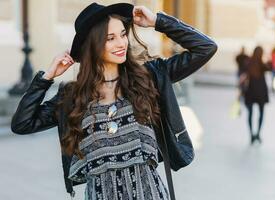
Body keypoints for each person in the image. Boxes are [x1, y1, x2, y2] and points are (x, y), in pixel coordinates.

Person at [11, 2, 217, 200]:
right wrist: (46, 77)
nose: (121, 43)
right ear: (92, 46)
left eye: (123, 34)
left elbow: (206, 48)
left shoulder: (148, 78)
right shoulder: (73, 97)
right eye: (110, 38)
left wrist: (157, 21)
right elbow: (22, 123)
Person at [243, 46, 270, 145]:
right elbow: (270, 68)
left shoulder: (249, 63)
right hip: (261, 92)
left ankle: (251, 134)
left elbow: (243, 71)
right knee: (261, 113)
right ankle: (258, 133)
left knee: (250, 114)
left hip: (250, 91)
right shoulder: (262, 65)